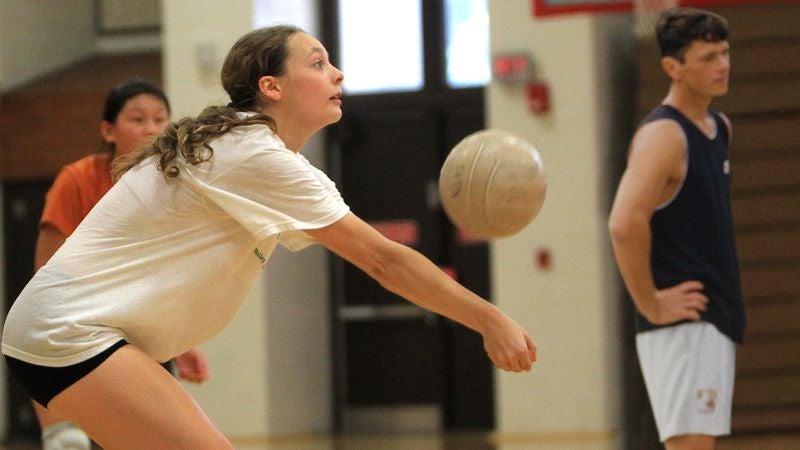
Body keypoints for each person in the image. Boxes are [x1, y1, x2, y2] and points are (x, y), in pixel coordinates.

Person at [2, 25, 537, 448]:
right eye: (319, 62)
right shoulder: (252, 151)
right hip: (70, 336)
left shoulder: (248, 148)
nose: (338, 73)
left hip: (78, 335)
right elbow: (383, 261)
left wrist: (178, 339)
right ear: (271, 87)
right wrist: (489, 319)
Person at [28, 79, 210, 450]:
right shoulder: (77, 179)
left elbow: (163, 280)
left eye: (161, 119)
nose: (152, 129)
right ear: (108, 130)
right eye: (138, 119)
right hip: (77, 329)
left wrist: (179, 342)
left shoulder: (171, 188)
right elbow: (45, 273)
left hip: (140, 334)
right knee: (70, 442)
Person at [608, 7, 743, 450]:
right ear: (673, 67)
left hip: (711, 316)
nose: (722, 64)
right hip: (681, 321)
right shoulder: (664, 135)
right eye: (707, 57)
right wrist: (651, 303)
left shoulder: (718, 126)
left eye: (724, 53)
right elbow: (624, 223)